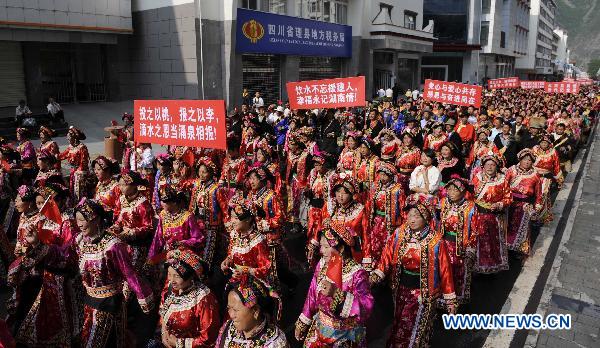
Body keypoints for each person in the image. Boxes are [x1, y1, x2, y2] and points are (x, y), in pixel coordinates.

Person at [371, 193, 456, 347]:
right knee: (400, 323)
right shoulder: (399, 234)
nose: (412, 219)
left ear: (425, 217)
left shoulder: (436, 242)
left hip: (423, 293)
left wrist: (450, 299)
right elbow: (386, 257)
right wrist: (376, 276)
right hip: (400, 288)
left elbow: (445, 271)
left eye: (416, 215)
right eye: (409, 215)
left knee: (414, 327)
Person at [74, 198, 153, 347]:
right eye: (77, 220)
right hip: (89, 301)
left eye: (82, 219)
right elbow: (65, 255)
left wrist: (143, 296)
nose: (79, 224)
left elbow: (129, 273)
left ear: (96, 219)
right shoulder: (80, 241)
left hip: (109, 303)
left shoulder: (112, 245)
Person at [295, 227, 374, 347]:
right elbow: (312, 293)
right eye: (321, 246)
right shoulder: (322, 264)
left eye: (326, 247)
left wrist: (336, 293)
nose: (321, 250)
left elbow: (366, 308)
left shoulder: (356, 274)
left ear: (341, 248)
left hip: (344, 335)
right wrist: (304, 321)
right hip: (320, 329)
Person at [149, 248, 220, 348]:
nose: (172, 280)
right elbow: (163, 312)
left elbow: (209, 338)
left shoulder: (204, 298)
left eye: (177, 276)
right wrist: (163, 333)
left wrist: (179, 343)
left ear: (191, 276)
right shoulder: (171, 289)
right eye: (169, 274)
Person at [309, 173, 370, 269]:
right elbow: (319, 227)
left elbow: (366, 236)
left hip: (350, 255)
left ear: (351, 194)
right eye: (338, 191)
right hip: (330, 253)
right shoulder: (329, 206)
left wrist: (367, 259)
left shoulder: (359, 211)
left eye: (344, 192)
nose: (340, 196)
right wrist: (314, 245)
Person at [216, 274, 288, 347]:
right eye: (229, 308)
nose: (231, 315)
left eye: (235, 310)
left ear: (256, 311)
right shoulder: (228, 328)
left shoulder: (275, 343)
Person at [438, 178, 476, 305]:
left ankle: (458, 300)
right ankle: (442, 300)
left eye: (455, 189)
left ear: (462, 191)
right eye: (449, 189)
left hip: (460, 246)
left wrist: (471, 248)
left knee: (458, 273)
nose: (452, 192)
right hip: (444, 244)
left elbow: (475, 230)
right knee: (443, 271)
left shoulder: (470, 207)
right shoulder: (443, 203)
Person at [108, 171, 155, 274]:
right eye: (119, 185)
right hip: (123, 243)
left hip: (138, 245)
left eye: (124, 185)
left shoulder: (143, 204)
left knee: (133, 274)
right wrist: (114, 228)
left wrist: (130, 233)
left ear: (134, 186)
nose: (121, 187)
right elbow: (118, 220)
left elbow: (149, 227)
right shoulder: (121, 200)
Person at [472, 154, 511, 274]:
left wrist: (499, 204)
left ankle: (493, 266)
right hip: (478, 215)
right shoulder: (476, 178)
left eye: (493, 165)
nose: (490, 167)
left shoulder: (502, 180)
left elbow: (508, 198)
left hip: (495, 217)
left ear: (497, 167)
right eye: (487, 164)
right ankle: (477, 267)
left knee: (493, 243)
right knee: (478, 241)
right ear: (482, 166)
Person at [148, 185, 205, 265]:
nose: (161, 204)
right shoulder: (163, 215)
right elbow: (158, 238)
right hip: (167, 255)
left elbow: (199, 238)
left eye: (164, 202)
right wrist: (151, 256)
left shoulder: (187, 217)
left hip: (184, 256)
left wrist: (183, 243)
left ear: (174, 202)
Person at [221, 203, 273, 283]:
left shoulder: (257, 241)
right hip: (236, 277)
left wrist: (246, 271)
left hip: (254, 281)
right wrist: (227, 261)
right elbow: (231, 254)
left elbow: (266, 269)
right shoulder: (235, 235)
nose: (232, 221)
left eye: (236, 218)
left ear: (248, 219)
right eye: (232, 217)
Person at [505, 149, 543, 258]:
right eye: (525, 159)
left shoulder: (535, 175)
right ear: (520, 160)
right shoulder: (511, 170)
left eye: (529, 160)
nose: (527, 162)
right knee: (508, 226)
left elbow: (539, 193)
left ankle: (519, 250)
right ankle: (506, 248)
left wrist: (537, 207)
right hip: (510, 203)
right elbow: (504, 186)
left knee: (523, 228)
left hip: (525, 205)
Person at [189, 157, 227, 265]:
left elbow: (224, 208)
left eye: (204, 172)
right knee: (197, 250)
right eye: (200, 172)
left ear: (210, 173)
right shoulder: (197, 187)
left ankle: (206, 273)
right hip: (198, 223)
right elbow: (192, 205)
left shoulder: (216, 189)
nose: (201, 174)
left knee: (208, 253)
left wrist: (226, 223)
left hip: (212, 225)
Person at [369, 162, 405, 265]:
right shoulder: (375, 187)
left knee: (387, 244)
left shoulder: (397, 189)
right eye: (380, 174)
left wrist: (401, 223)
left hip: (388, 223)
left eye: (385, 175)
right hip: (377, 220)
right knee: (375, 243)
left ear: (390, 176)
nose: (382, 177)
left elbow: (402, 207)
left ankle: (386, 265)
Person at [532, 133, 563, 224]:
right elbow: (527, 160)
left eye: (546, 143)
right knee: (533, 196)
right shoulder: (534, 150)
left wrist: (559, 180)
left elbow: (556, 166)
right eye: (542, 142)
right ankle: (532, 215)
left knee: (543, 195)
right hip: (534, 176)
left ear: (549, 143)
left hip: (546, 178)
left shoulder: (553, 152)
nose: (544, 144)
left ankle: (541, 216)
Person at [59, 126, 93, 203]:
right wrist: (54, 156)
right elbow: (63, 155)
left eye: (68, 137)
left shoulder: (82, 147)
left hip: (80, 173)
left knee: (79, 190)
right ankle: (74, 203)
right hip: (73, 171)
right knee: (72, 189)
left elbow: (84, 162)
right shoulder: (70, 147)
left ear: (74, 138)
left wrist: (79, 173)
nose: (67, 139)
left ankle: (82, 203)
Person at [305, 152, 334, 244]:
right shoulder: (313, 173)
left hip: (325, 208)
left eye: (319, 164)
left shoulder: (331, 176)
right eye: (315, 164)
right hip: (313, 207)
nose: (316, 167)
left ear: (325, 164)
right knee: (311, 231)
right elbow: (309, 186)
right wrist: (307, 191)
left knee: (321, 232)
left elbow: (332, 196)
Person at [92, 156, 121, 221]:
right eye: (95, 169)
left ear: (107, 170)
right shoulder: (99, 183)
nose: (96, 172)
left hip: (111, 219)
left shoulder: (116, 186)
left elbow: (119, 208)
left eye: (99, 169)